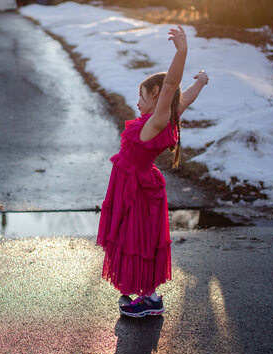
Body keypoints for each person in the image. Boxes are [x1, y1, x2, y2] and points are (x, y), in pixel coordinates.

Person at [96, 25, 209, 317]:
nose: (137, 101)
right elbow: (185, 98)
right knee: (139, 238)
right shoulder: (167, 117)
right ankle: (147, 294)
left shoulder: (155, 122)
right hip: (139, 184)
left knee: (139, 239)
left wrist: (182, 51)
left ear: (156, 94)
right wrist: (202, 82)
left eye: (142, 95)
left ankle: (150, 300)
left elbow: (172, 86)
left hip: (136, 189)